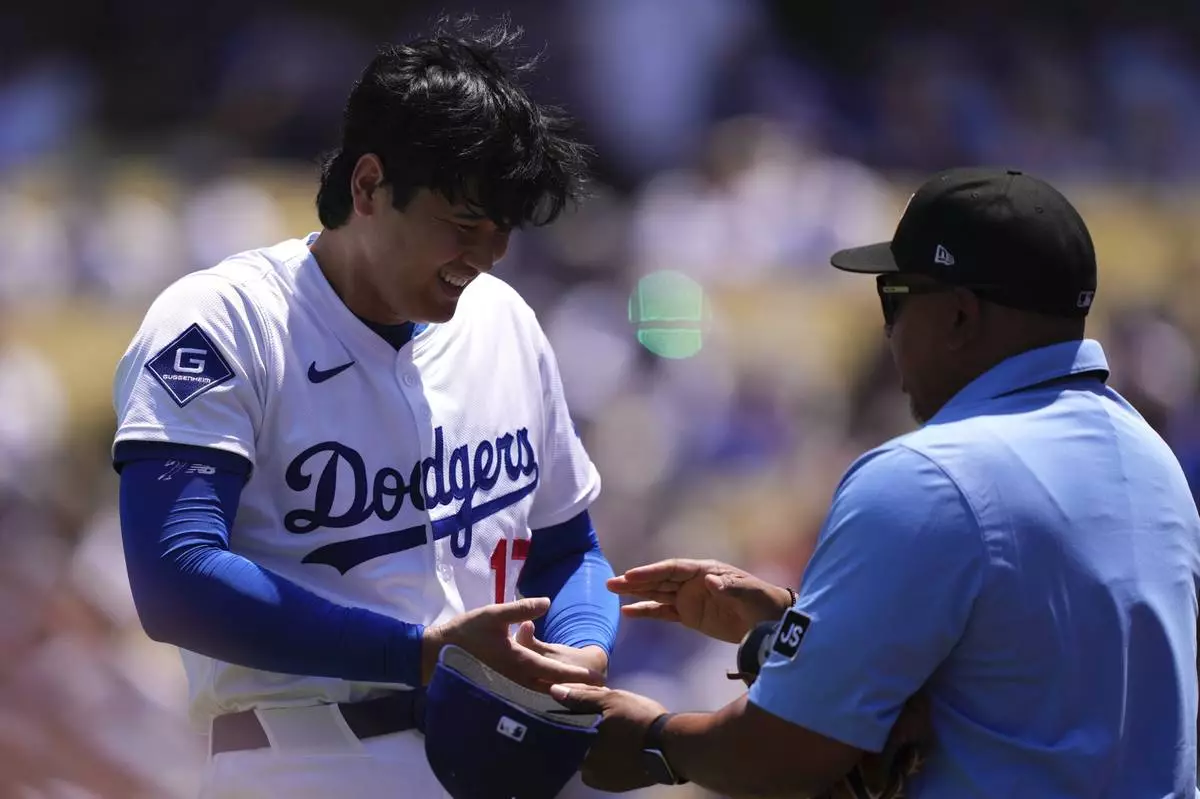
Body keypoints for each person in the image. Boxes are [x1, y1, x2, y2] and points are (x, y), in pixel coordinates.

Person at [551, 167, 1200, 798]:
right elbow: (1030, 672)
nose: (887, 330)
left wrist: (653, 739)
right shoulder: (1152, 458)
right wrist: (795, 620)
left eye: (895, 297)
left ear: (958, 316)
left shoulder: (927, 473)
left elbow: (778, 754)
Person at [111, 17, 619, 799]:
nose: (487, 255)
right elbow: (176, 574)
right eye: (464, 223)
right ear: (369, 185)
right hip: (303, 758)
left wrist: (583, 644)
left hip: (498, 761)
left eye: (504, 229)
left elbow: (566, 547)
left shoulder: (504, 319)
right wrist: (414, 651)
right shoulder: (223, 321)